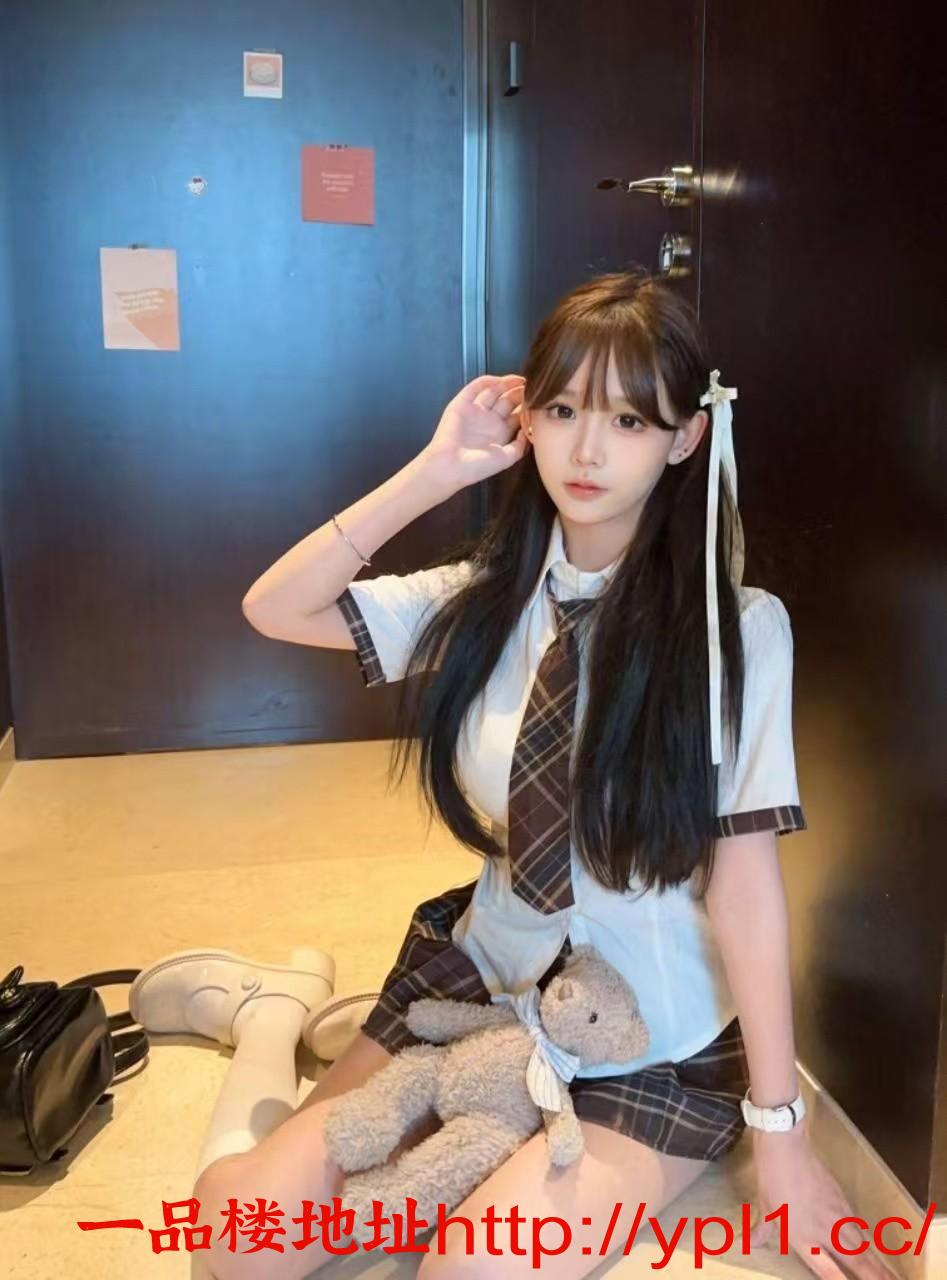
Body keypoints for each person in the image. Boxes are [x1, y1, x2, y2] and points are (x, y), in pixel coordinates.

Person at [132, 270, 897, 1279]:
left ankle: (311, 1030)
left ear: (684, 438)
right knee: (238, 1248)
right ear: (525, 418)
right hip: (485, 979)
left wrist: (782, 1135)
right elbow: (276, 607)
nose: (587, 450)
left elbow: (743, 886)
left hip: (648, 1037)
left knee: (467, 1268)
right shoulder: (483, 599)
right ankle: (270, 1018)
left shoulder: (736, 632)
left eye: (628, 419)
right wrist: (435, 471)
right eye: (563, 409)